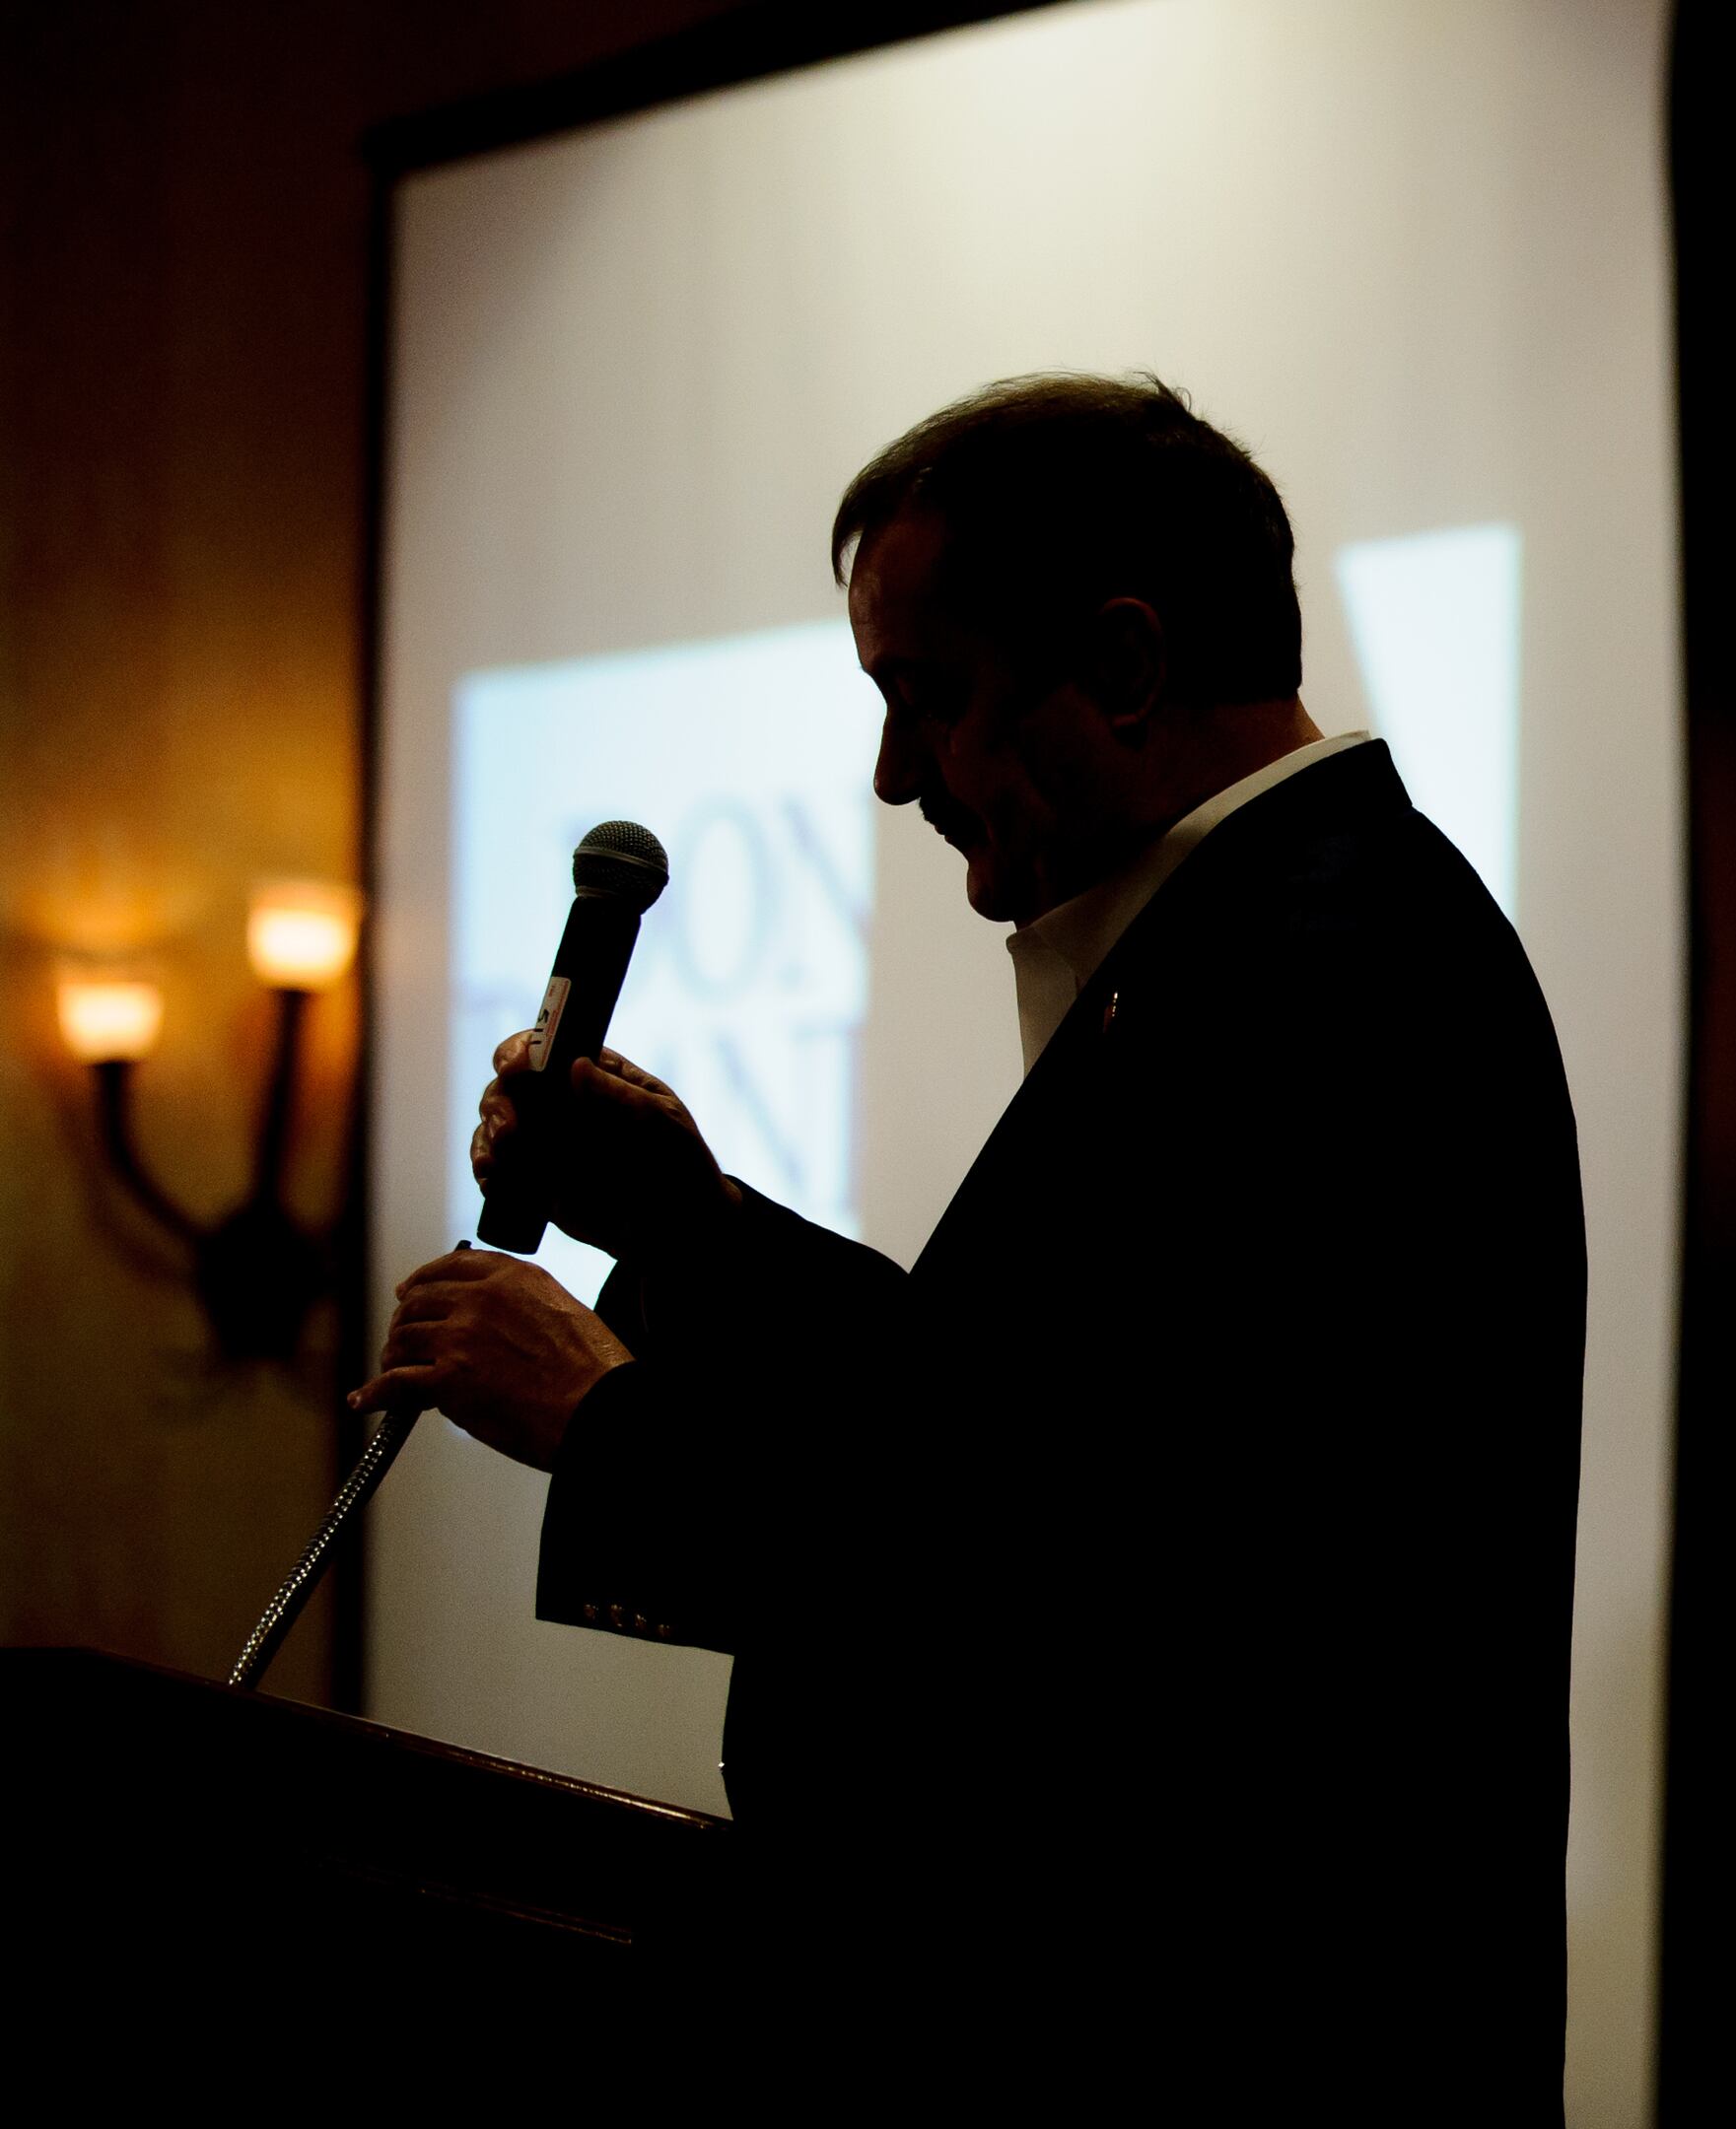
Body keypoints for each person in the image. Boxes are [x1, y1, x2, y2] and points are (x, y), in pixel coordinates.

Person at [356, 374, 1583, 2093]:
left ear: (1131, 668)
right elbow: (1012, 1417)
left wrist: (608, 1422)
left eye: (922, 700)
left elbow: (1099, 1587)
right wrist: (684, 1227)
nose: (884, 776)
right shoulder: (1281, 932)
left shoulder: (1325, 977)